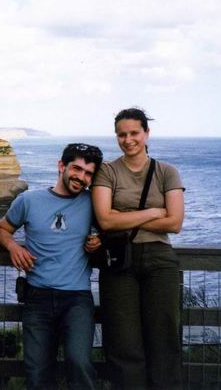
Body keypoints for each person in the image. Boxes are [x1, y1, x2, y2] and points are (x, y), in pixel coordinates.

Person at [0, 143, 104, 390]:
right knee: (37, 373)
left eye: (88, 173)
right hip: (37, 297)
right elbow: (3, 229)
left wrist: (100, 241)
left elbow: (112, 228)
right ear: (61, 166)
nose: (81, 177)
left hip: (77, 298)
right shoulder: (29, 200)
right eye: (77, 168)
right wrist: (13, 246)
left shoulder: (93, 203)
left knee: (79, 364)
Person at [91, 108, 185, 390]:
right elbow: (106, 220)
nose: (128, 139)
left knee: (164, 337)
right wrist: (154, 212)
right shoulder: (107, 170)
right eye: (122, 134)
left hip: (160, 260)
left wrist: (126, 217)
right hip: (120, 261)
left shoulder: (166, 171)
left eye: (134, 133)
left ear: (146, 133)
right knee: (122, 341)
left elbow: (176, 222)